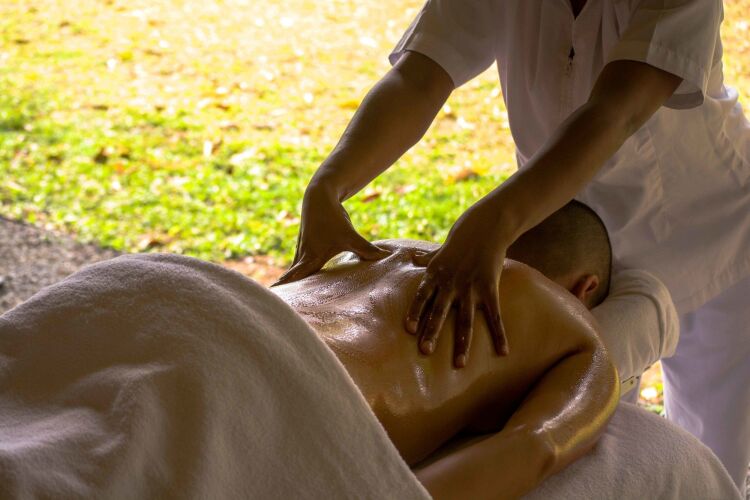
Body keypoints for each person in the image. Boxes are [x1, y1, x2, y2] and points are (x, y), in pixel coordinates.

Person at [274, 0, 750, 490]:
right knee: (595, 447)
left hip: (708, 234)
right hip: (558, 232)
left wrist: (495, 222)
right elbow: (419, 78)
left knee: (717, 461)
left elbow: (617, 110)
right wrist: (329, 183)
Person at [271, 201, 619, 498]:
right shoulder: (577, 331)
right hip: (294, 400)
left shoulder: (380, 248)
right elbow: (534, 447)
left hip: (245, 314)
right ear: (585, 288)